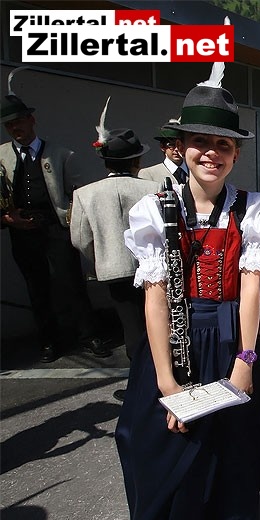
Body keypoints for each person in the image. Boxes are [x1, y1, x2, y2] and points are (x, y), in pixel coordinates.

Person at [115, 64, 260, 520]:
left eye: (224, 144)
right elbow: (156, 298)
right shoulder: (153, 209)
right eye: (201, 142)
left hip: (230, 345)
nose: (212, 153)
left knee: (230, 458)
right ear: (180, 147)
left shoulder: (252, 208)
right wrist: (166, 381)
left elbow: (251, 289)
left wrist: (245, 362)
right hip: (172, 349)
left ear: (236, 153)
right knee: (161, 453)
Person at [0, 84, 108, 362]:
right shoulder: (2, 156)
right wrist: (7, 218)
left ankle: (88, 335)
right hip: (22, 231)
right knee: (36, 286)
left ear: (31, 120)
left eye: (19, 121)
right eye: (9, 125)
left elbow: (78, 192)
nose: (15, 128)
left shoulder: (60, 154)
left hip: (55, 227)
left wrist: (71, 219)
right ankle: (48, 340)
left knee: (71, 283)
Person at [71, 116, 161, 369]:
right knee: (157, 321)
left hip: (113, 269)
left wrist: (101, 255)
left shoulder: (85, 194)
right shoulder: (154, 188)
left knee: (130, 325)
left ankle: (138, 376)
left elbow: (80, 239)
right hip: (153, 266)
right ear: (136, 161)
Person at [137, 119, 189, 186]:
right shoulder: (148, 174)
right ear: (162, 147)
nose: (177, 149)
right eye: (171, 145)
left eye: (180, 145)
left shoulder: (196, 171)